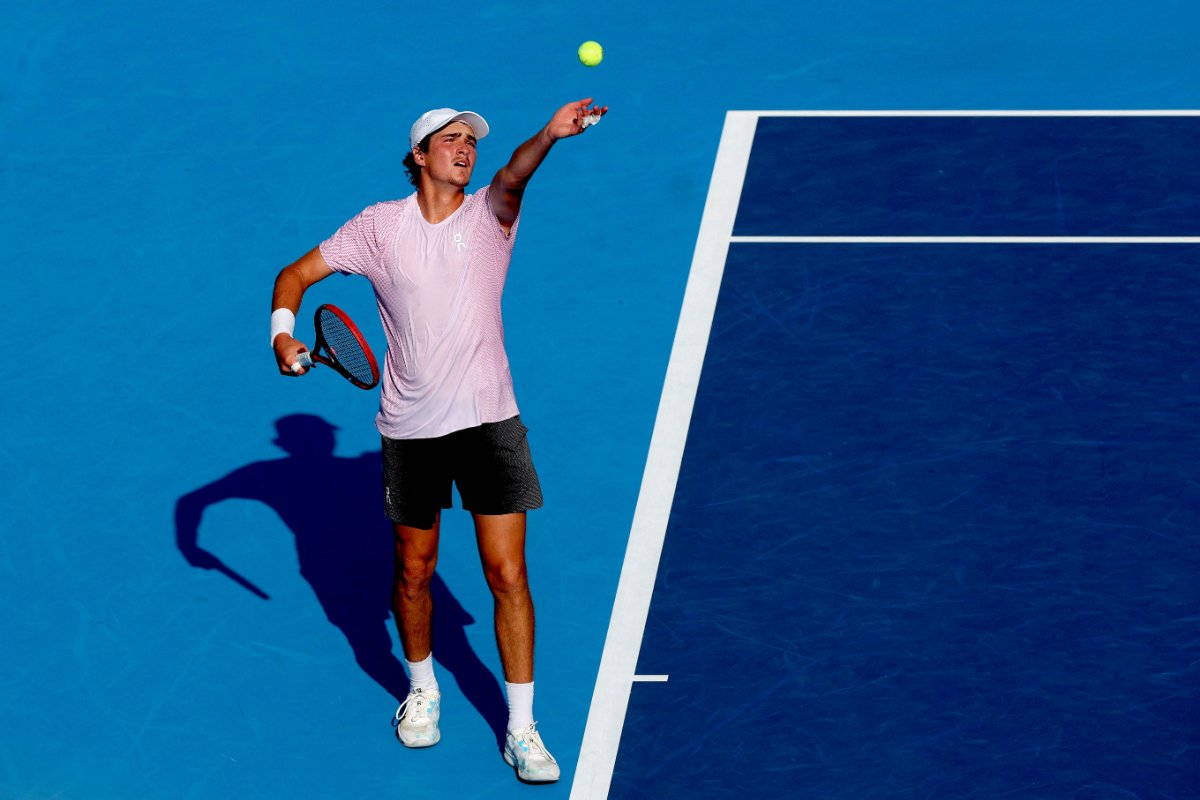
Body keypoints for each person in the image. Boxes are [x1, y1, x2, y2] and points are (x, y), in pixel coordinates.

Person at [269, 99, 607, 783]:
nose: (465, 150)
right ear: (419, 156)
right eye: (449, 141)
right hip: (411, 429)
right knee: (414, 572)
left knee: (507, 574)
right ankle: (422, 691)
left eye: (470, 143)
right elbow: (296, 276)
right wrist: (281, 331)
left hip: (491, 423)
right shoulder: (378, 228)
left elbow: (515, 176)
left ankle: (521, 727)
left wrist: (549, 135)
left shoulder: (490, 216)